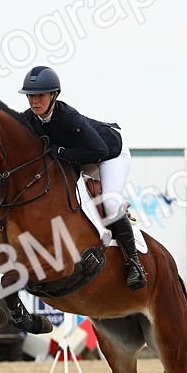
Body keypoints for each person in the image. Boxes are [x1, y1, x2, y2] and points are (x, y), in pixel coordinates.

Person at [17, 65, 145, 290]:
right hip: (82, 157)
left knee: (110, 203)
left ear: (54, 95)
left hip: (110, 154)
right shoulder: (30, 119)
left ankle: (134, 263)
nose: (34, 101)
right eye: (30, 96)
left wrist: (60, 152)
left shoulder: (69, 118)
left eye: (40, 96)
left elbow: (100, 151)